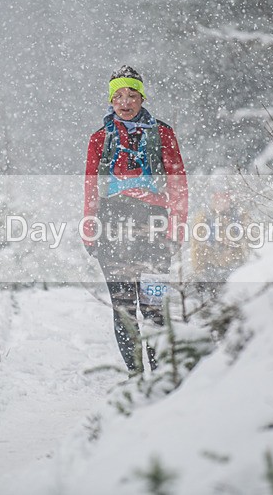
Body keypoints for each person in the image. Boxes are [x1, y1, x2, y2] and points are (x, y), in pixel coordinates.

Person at [83, 65, 188, 374]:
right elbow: (90, 186)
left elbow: (178, 183)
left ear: (142, 98)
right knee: (124, 308)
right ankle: (135, 376)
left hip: (154, 223)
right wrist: (89, 227)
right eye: (118, 96)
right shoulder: (99, 138)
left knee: (155, 306)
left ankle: (160, 375)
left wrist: (176, 227)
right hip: (111, 224)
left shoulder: (162, 134)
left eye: (131, 95)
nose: (125, 102)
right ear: (110, 101)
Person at [190, 191, 249, 296]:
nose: (221, 204)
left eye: (224, 201)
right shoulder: (204, 218)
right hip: (210, 264)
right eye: (217, 201)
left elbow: (244, 241)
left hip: (231, 263)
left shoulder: (238, 217)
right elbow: (197, 245)